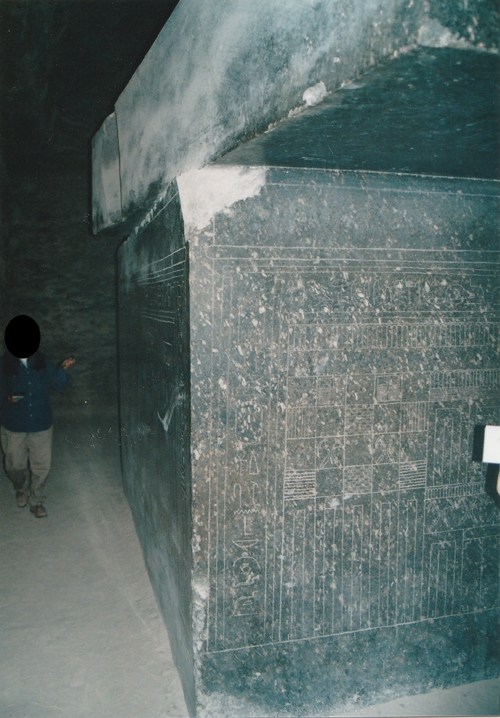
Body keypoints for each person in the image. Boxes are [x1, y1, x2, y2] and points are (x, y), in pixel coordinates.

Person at [0, 315, 76, 518]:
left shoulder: (41, 360)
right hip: (14, 424)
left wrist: (62, 369)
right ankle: (21, 488)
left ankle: (36, 500)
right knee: (13, 466)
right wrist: (8, 398)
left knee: (41, 466)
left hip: (41, 423)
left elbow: (58, 384)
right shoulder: (4, 363)